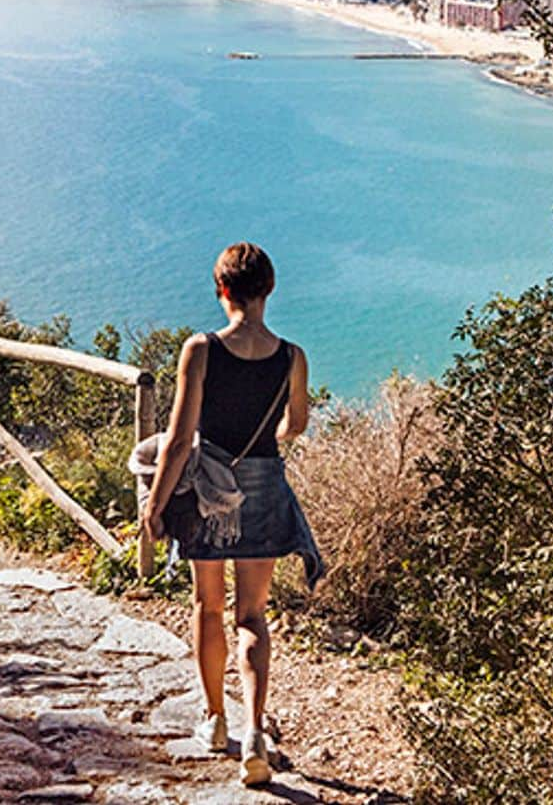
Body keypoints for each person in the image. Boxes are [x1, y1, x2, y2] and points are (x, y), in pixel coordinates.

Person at [140, 242, 324, 788]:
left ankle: (216, 721)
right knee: (252, 617)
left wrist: (154, 507)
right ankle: (255, 733)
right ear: (269, 290)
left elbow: (177, 441)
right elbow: (297, 424)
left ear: (222, 290)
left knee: (207, 605)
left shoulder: (200, 350)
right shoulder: (292, 356)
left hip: (207, 494)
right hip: (264, 487)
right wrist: (268, 438)